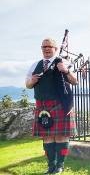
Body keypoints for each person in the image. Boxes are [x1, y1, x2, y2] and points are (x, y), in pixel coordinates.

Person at [26, 38, 77, 174]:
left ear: (55, 49)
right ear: (41, 49)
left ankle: (60, 165)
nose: (47, 49)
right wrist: (32, 81)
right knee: (47, 137)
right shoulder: (35, 65)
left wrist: (65, 71)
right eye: (44, 47)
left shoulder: (63, 62)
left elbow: (75, 81)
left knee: (61, 136)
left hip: (60, 105)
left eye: (50, 46)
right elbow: (27, 85)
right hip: (42, 106)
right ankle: (51, 166)